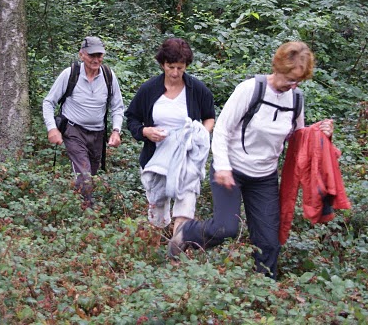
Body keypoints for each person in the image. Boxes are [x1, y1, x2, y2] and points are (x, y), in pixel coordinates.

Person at [169, 41, 334, 278]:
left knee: (269, 239)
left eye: (298, 81)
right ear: (278, 67)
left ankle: (265, 285)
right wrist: (223, 167)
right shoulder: (250, 90)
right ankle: (187, 231)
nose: (293, 85)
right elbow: (223, 129)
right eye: (290, 79)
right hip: (232, 169)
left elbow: (297, 137)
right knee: (226, 228)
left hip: (264, 176)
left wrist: (321, 132)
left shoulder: (295, 99)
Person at [124, 38, 216, 239]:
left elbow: (209, 117)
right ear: (162, 64)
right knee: (157, 206)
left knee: (186, 200)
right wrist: (146, 131)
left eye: (180, 68)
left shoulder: (197, 89)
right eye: (170, 67)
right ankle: (157, 242)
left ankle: (177, 247)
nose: (175, 73)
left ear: (186, 66)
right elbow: (132, 118)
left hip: (186, 157)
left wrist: (200, 135)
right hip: (155, 157)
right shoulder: (149, 90)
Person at [42, 36, 125, 208]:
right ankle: (88, 214)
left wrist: (116, 130)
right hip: (74, 131)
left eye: (99, 55)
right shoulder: (70, 74)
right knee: (85, 174)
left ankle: (78, 203)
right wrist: (52, 129)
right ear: (82, 55)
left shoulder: (109, 76)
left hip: (98, 133)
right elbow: (48, 102)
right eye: (91, 55)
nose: (96, 59)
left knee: (91, 175)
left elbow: (117, 106)